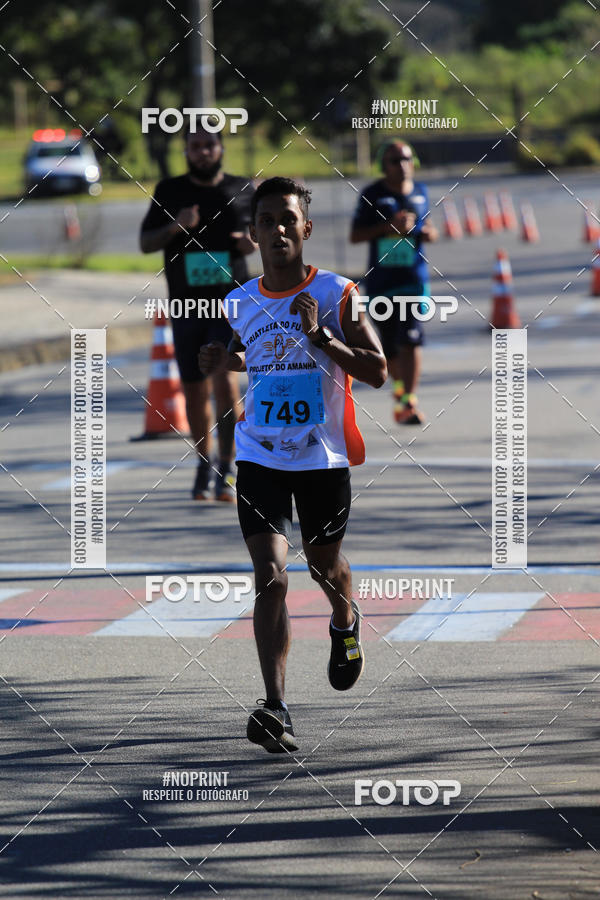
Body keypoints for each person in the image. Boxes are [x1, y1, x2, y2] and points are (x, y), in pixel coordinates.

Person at [198, 177, 387, 753]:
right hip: (260, 456)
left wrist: (323, 338)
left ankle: (345, 619)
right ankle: (275, 706)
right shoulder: (238, 300)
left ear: (306, 228)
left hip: (323, 459)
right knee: (270, 576)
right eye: (266, 221)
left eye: (288, 219)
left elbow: (377, 370)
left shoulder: (337, 293)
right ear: (251, 234)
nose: (277, 229)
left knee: (324, 566)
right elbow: (251, 351)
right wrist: (220, 359)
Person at [140, 127, 256, 501]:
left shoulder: (242, 190)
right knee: (194, 390)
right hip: (187, 304)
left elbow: (269, 237)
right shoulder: (170, 191)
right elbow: (145, 243)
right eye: (196, 147)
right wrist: (176, 225)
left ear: (221, 148)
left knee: (225, 382)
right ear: (186, 151)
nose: (203, 152)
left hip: (230, 306)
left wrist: (250, 242)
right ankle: (203, 462)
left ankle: (228, 464)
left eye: (210, 145)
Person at [350, 139, 438, 424]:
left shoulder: (421, 192)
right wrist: (389, 228)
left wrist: (425, 233)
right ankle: (401, 396)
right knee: (390, 347)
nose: (403, 166)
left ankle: (409, 401)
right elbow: (356, 236)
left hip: (413, 279)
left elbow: (429, 229)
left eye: (407, 159)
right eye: (395, 161)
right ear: (382, 166)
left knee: (412, 338)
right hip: (381, 282)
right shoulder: (372, 194)